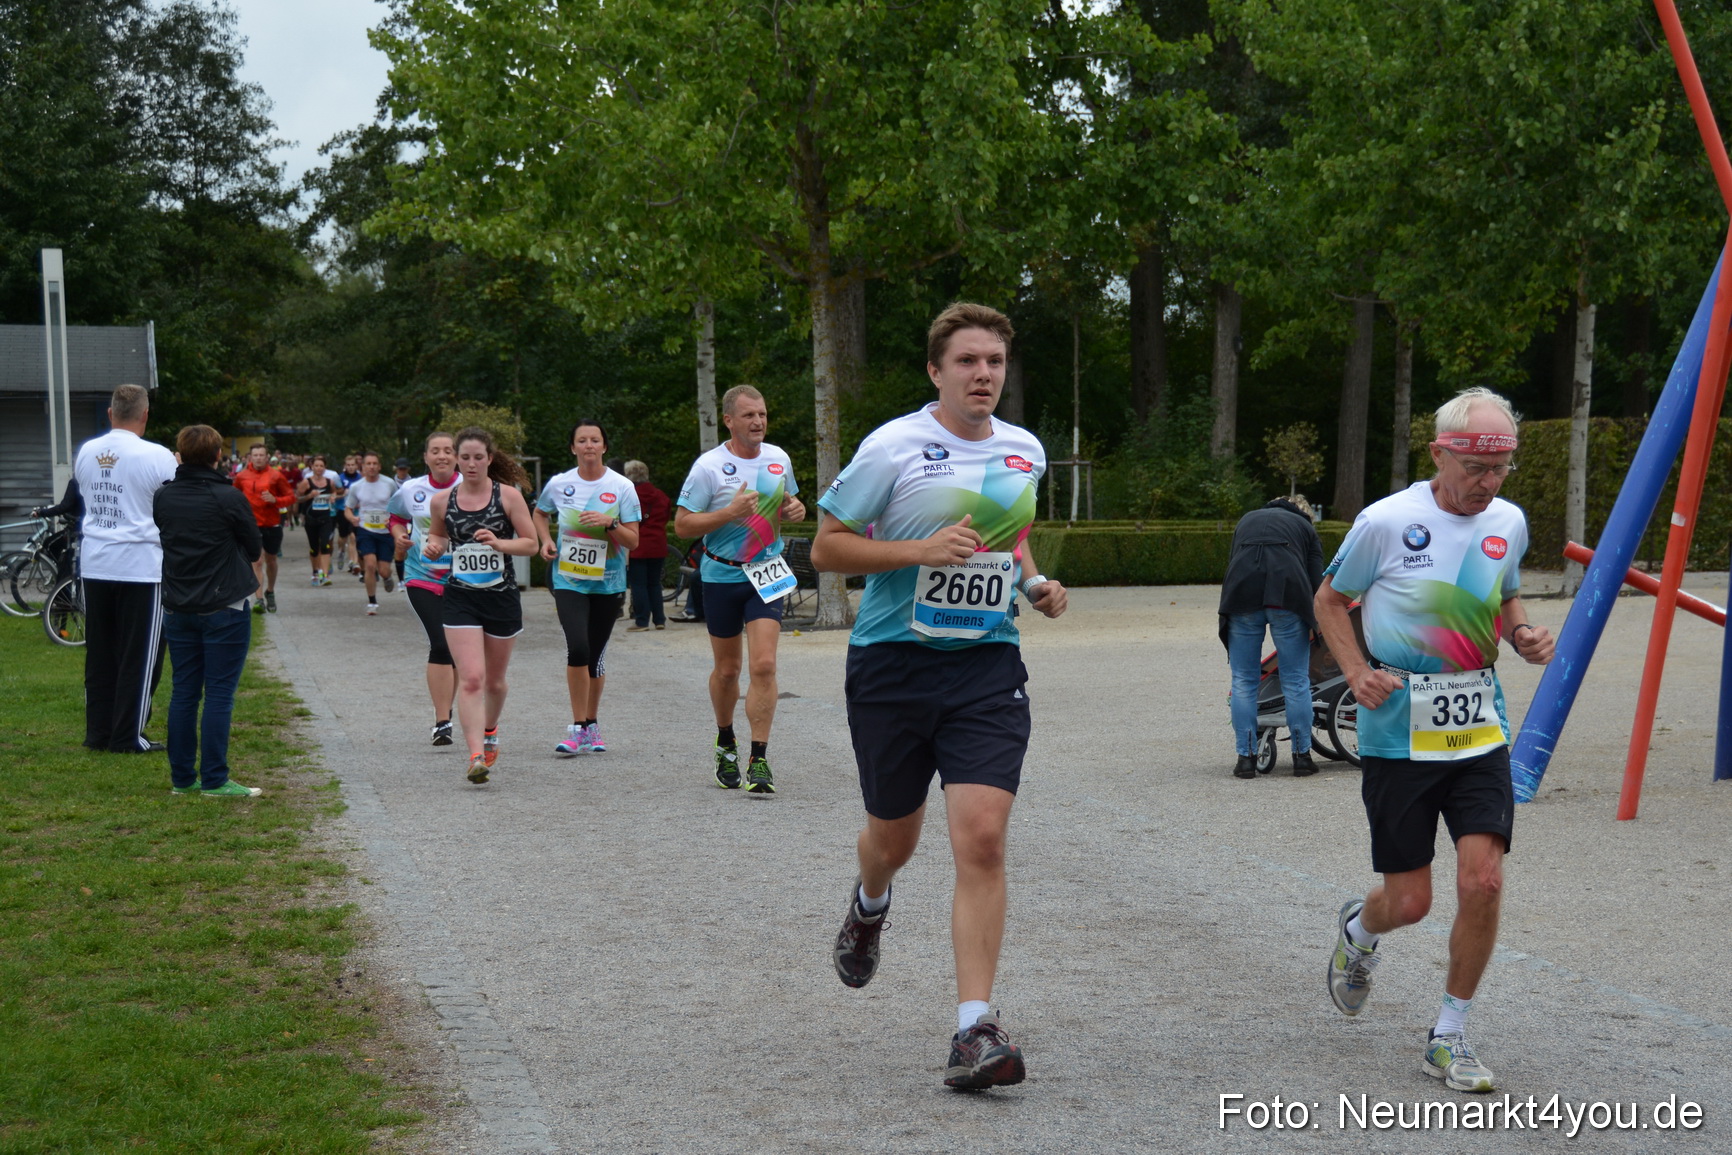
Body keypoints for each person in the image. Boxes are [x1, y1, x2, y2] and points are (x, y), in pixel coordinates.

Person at [812, 301, 1067, 1091]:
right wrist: (916, 549)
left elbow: (1009, 531)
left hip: (986, 666)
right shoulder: (893, 446)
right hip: (891, 665)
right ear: (936, 370)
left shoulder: (1026, 450)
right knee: (893, 835)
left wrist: (1031, 579)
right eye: (967, 361)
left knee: (982, 838)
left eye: (993, 361)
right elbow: (826, 545)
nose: (983, 373)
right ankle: (870, 898)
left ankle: (974, 1027)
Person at [1315, 387, 1555, 1095]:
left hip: (1479, 725)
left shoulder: (1507, 521)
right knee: (1410, 900)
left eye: (1502, 466)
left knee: (1483, 878)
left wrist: (1521, 632)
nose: (1491, 483)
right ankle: (1361, 928)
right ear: (1441, 454)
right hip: (1398, 732)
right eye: (1478, 467)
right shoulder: (1386, 522)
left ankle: (1449, 1034)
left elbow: (1505, 591)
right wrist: (1356, 671)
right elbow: (1330, 598)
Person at [674, 386, 805, 793]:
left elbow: (789, 504)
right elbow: (682, 525)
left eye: (763, 414)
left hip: (766, 573)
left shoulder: (778, 458)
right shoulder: (708, 467)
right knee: (728, 670)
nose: (758, 422)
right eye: (749, 415)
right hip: (722, 575)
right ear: (729, 420)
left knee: (764, 665)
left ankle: (759, 758)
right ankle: (725, 738)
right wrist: (728, 513)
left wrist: (794, 509)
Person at [154, 425, 265, 797]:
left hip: (179, 603)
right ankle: (215, 779)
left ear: (180, 455)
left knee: (184, 691)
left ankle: (182, 779)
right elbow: (253, 545)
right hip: (224, 604)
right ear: (218, 455)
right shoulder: (227, 496)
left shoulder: (164, 497)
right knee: (219, 692)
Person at [423, 427, 538, 783]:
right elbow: (439, 534)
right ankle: (476, 756)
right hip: (460, 597)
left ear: (490, 458)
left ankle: (490, 730)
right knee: (472, 678)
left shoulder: (508, 497)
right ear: (457, 459)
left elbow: (531, 544)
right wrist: (434, 545)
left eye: (478, 457)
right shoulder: (442, 501)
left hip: (500, 597)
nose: (471, 464)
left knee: (495, 682)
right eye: (465, 457)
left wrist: (500, 544)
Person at [70, 383, 178, 753]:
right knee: (140, 654)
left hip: (97, 560)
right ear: (145, 415)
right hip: (141, 565)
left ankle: (99, 732)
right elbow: (173, 506)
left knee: (101, 651)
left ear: (110, 413)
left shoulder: (87, 451)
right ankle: (127, 735)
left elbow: (86, 495)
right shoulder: (158, 455)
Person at [534, 421, 640, 756]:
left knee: (595, 656)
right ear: (573, 448)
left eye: (595, 440)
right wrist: (546, 540)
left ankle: (592, 723)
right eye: (582, 440)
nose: (589, 445)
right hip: (568, 579)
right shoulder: (560, 483)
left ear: (604, 447)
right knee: (577, 648)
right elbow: (539, 513)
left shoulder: (621, 486)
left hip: (608, 583)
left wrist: (610, 523)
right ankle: (578, 727)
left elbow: (633, 541)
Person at [1219, 494, 1326, 779]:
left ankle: (1245, 759)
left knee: (1243, 679)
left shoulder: (1246, 520)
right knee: (1295, 679)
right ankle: (1302, 757)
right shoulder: (1304, 527)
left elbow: (1233, 562)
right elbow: (1318, 578)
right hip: (1287, 598)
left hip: (1241, 596)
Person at [389, 433, 460, 745]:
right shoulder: (411, 488)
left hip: (464, 579)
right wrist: (399, 536)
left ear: (457, 456)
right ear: (426, 457)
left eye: (447, 451)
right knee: (441, 643)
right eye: (435, 451)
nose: (442, 456)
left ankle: (450, 707)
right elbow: (396, 517)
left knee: (458, 649)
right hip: (422, 576)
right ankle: (442, 721)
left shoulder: (472, 488)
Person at [233, 444, 294, 614]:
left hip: (272, 523)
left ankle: (270, 591)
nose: (259, 458)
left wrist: (276, 501)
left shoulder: (276, 476)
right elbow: (234, 497)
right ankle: (259, 598)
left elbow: (291, 497)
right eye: (255, 455)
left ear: (267, 457)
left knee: (271, 560)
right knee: (256, 561)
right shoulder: (242, 476)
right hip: (250, 524)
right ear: (250, 457)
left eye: (261, 455)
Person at [344, 450, 401, 615]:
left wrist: (392, 519)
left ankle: (387, 577)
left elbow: (398, 505)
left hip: (385, 532)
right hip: (365, 530)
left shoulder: (389, 483)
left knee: (383, 570)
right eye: (368, 464)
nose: (371, 467)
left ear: (379, 466)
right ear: (363, 467)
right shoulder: (357, 487)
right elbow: (348, 508)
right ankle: (372, 602)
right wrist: (352, 518)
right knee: (369, 564)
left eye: (375, 464)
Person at [623, 459, 670, 631]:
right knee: (654, 583)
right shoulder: (660, 495)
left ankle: (642, 621)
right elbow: (666, 516)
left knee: (638, 584)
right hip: (658, 544)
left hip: (638, 545)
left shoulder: (629, 495)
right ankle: (659, 620)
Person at [297, 455, 343, 586]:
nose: (318, 468)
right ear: (311, 467)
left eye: (321, 466)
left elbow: (336, 492)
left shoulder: (330, 482)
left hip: (326, 518)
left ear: (325, 467)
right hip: (311, 518)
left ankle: (325, 575)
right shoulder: (306, 482)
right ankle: (315, 572)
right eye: (316, 466)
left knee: (325, 545)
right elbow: (297, 498)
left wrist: (334, 496)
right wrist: (309, 496)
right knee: (314, 547)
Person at [333, 453, 363, 575]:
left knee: (353, 537)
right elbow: (335, 495)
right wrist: (343, 494)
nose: (350, 467)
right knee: (342, 537)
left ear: (356, 466)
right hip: (342, 509)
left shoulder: (360, 478)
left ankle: (353, 562)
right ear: (345, 466)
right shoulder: (339, 478)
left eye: (353, 465)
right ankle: (341, 551)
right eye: (348, 465)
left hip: (355, 512)